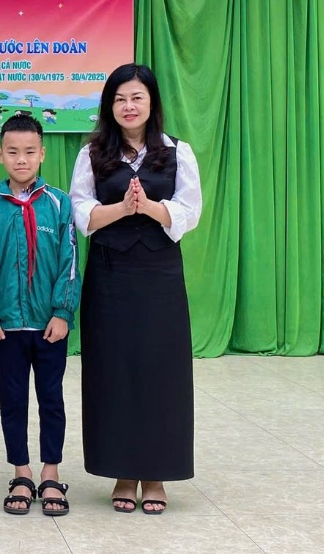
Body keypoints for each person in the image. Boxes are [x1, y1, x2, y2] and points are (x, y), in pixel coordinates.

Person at [68, 63, 202, 515]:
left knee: (161, 373)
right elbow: (81, 213)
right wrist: (123, 209)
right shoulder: (92, 154)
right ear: (110, 105)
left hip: (160, 278)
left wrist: (152, 207)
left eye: (137, 98)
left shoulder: (177, 152)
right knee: (114, 372)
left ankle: (156, 473)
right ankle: (123, 473)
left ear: (151, 103)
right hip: (109, 278)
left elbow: (189, 212)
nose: (128, 106)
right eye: (120, 98)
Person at [0, 113, 79, 518]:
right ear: (0, 155)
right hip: (7, 328)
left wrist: (63, 310)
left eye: (29, 152)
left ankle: (51, 472)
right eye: (13, 152)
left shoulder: (59, 204)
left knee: (51, 399)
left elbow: (70, 261)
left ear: (42, 154)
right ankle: (21, 471)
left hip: (50, 325)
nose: (21, 160)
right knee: (12, 401)